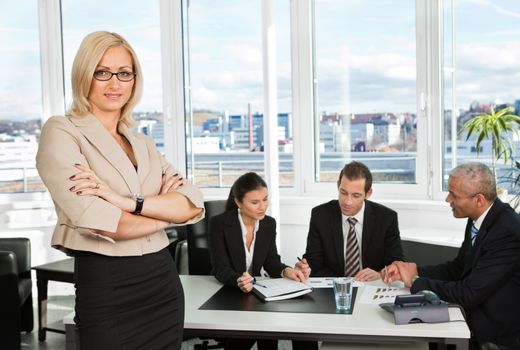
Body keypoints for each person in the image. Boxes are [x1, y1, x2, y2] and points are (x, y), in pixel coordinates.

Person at [36, 31, 204, 350]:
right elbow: (105, 222)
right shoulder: (62, 131)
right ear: (84, 75)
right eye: (102, 72)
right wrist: (164, 218)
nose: (115, 83)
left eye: (124, 73)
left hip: (161, 282)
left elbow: (193, 204)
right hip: (109, 284)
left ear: (134, 80)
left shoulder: (141, 142)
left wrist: (127, 202)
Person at [384, 162, 520, 350]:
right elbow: (459, 268)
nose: (448, 199)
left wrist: (415, 281)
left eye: (454, 195)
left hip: (495, 337)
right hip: (472, 321)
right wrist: (416, 270)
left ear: (479, 200)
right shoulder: (477, 218)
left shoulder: (507, 231)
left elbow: (468, 293)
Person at [209, 172, 316, 350]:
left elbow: (272, 263)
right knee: (246, 337)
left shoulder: (268, 224)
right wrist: (238, 280)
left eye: (265, 199)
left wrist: (288, 271)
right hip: (229, 291)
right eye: (255, 202)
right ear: (238, 202)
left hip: (257, 292)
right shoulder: (219, 223)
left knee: (275, 328)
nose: (263, 207)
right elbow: (220, 267)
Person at [300, 161, 404, 281]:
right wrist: (305, 267)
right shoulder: (320, 215)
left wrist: (379, 274)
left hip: (372, 286)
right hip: (334, 289)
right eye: (343, 193)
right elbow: (313, 262)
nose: (347, 202)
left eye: (356, 196)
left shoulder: (386, 218)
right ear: (338, 186)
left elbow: (397, 264)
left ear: (368, 193)